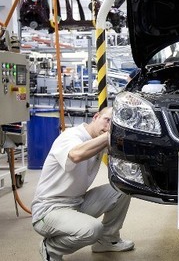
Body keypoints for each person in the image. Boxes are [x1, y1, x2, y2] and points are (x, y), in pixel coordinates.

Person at [31, 107, 134, 261]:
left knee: (123, 188)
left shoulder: (100, 140)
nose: (109, 126)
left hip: (77, 203)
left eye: (114, 125)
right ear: (96, 116)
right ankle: (50, 248)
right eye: (107, 120)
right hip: (49, 210)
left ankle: (107, 241)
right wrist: (110, 135)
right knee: (93, 229)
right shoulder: (72, 136)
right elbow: (75, 154)